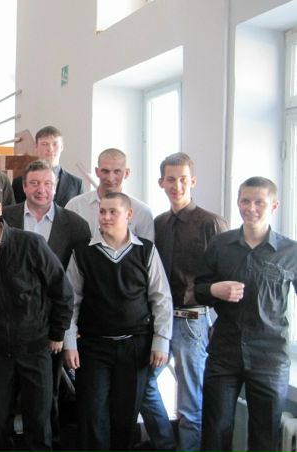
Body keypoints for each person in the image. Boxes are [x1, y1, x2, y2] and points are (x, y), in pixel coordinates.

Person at [65, 148, 169, 449]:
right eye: (102, 212)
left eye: (113, 212)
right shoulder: (83, 252)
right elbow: (72, 300)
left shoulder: (145, 251)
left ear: (129, 215)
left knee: (125, 415)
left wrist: (161, 340)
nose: (106, 217)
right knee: (92, 412)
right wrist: (70, 341)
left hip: (135, 345)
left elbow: (161, 298)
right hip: (93, 346)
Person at [0, 183, 74, 452]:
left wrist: (57, 333)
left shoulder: (31, 243)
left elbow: (62, 291)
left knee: (39, 423)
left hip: (36, 350)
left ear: (0, 209)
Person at [195, 177, 297, 452]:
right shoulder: (220, 245)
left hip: (270, 356)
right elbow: (199, 290)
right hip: (224, 352)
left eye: (259, 202)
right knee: (215, 431)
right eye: (245, 201)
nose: (250, 208)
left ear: (273, 205)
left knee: (265, 435)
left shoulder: (291, 251)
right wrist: (215, 289)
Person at [3, 159, 91, 451]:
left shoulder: (75, 225)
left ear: (56, 187)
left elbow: (80, 279)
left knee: (47, 397)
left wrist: (65, 329)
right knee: (5, 399)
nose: (41, 189)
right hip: (9, 322)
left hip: (52, 326)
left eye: (48, 184)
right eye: (34, 183)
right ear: (24, 186)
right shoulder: (6, 217)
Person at [153, 153, 228, 452]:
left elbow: (227, 276)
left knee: (189, 404)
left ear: (193, 181)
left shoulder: (211, 223)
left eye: (183, 179)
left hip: (193, 322)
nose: (177, 186)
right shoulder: (159, 223)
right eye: (171, 179)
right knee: (143, 385)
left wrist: (217, 325)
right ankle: (166, 444)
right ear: (161, 183)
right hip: (161, 320)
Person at [66, 148, 153, 239]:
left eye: (117, 172)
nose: (110, 178)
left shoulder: (142, 212)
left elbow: (147, 247)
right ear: (97, 172)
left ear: (126, 173)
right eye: (105, 171)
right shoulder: (75, 206)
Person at [12, 126, 84, 207]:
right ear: (36, 147)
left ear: (62, 147)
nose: (50, 149)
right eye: (44, 144)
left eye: (55, 144)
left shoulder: (76, 184)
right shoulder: (19, 183)